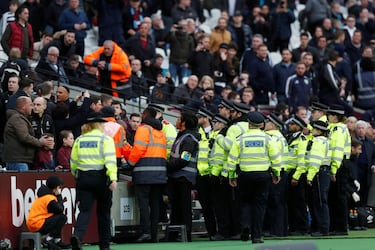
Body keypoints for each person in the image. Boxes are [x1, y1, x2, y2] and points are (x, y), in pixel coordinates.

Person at [227, 111, 281, 244]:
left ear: (249, 124)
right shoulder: (268, 139)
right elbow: (275, 158)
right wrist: (277, 173)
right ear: (262, 124)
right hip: (263, 176)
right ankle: (256, 235)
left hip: (245, 175)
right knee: (259, 205)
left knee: (245, 203)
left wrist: (232, 175)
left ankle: (245, 226)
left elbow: (232, 159)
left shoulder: (240, 139)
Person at [70, 112, 117, 250]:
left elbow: (73, 162)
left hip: (83, 178)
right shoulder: (105, 139)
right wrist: (113, 178)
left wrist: (76, 175)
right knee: (103, 213)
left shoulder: (79, 140)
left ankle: (77, 235)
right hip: (101, 179)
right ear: (100, 124)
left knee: (84, 211)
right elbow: (110, 160)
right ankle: (104, 245)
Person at [125, 107, 167, 243]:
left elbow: (139, 149)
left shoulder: (143, 129)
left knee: (143, 204)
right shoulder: (160, 131)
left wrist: (130, 163)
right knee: (155, 205)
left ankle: (145, 232)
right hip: (159, 173)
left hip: (144, 173)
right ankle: (153, 234)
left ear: (144, 115)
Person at [167, 111, 200, 242]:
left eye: (179, 119)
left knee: (184, 207)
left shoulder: (189, 139)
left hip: (184, 177)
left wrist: (167, 166)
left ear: (184, 123)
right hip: (177, 176)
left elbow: (184, 159)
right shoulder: (182, 136)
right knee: (176, 206)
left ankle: (186, 233)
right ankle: (174, 233)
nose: (177, 121)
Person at [3, 96, 54, 171]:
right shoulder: (18, 118)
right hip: (18, 160)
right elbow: (24, 137)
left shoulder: (21, 118)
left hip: (22, 160)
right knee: (23, 182)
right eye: (31, 105)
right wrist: (40, 142)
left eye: (37, 105)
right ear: (24, 107)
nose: (33, 108)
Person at [327, 105, 351, 235]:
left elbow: (337, 150)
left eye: (330, 115)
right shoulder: (335, 128)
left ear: (335, 117)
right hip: (339, 164)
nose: (328, 117)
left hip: (339, 165)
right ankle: (336, 226)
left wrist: (334, 169)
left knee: (339, 197)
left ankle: (341, 228)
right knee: (335, 197)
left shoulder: (338, 129)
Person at [263, 113, 289, 237]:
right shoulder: (280, 137)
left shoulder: (271, 137)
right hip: (282, 171)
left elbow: (274, 157)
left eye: (267, 122)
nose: (264, 124)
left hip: (275, 172)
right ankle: (282, 230)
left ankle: (275, 230)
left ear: (272, 124)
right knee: (280, 202)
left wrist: (275, 173)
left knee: (274, 202)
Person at [26, 175, 69, 249]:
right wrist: (59, 196)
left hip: (34, 223)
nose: (59, 190)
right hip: (38, 224)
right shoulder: (49, 198)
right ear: (55, 188)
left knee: (59, 217)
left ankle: (56, 240)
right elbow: (60, 209)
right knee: (62, 217)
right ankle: (50, 239)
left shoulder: (44, 196)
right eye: (59, 187)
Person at [306, 121, 331, 237]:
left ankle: (323, 229)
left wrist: (309, 176)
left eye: (315, 128)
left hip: (319, 172)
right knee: (321, 201)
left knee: (320, 201)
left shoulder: (318, 141)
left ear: (320, 131)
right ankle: (322, 228)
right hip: (324, 171)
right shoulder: (325, 141)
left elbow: (315, 160)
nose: (312, 130)